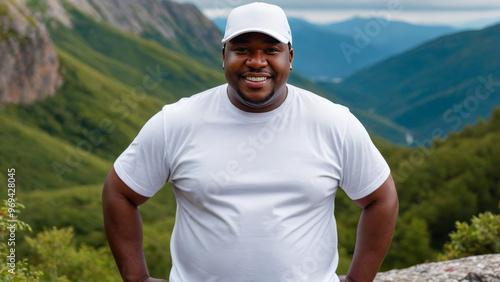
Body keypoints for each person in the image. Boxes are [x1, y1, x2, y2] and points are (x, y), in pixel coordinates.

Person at [102, 2, 398, 282]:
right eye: (242, 49)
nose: (257, 62)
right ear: (224, 56)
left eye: (271, 50)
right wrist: (136, 277)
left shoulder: (334, 123)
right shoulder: (176, 122)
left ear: (290, 58)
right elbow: (119, 192)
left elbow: (381, 198)